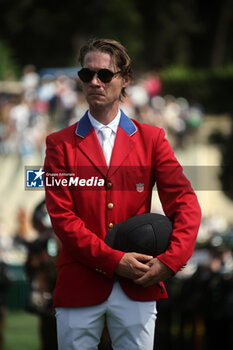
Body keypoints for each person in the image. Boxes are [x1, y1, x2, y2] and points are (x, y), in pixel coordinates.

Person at [44, 38, 201, 350]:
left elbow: (185, 203)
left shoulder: (152, 139)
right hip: (79, 283)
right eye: (86, 75)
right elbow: (63, 219)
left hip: (139, 283)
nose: (94, 82)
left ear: (125, 79)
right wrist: (115, 261)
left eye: (104, 75)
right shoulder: (58, 144)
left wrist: (169, 263)